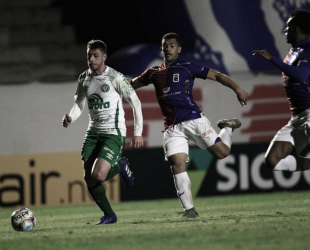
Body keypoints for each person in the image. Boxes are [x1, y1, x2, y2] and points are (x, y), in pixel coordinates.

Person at [129, 32, 248, 219]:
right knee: (177, 163)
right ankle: (189, 211)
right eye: (165, 45)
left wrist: (238, 89)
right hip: (172, 128)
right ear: (161, 49)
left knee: (223, 153)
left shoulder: (187, 67)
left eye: (172, 45)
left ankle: (228, 128)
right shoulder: (153, 73)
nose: (168, 48)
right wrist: (111, 82)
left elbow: (216, 75)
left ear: (178, 49)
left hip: (194, 120)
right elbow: (132, 85)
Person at [62, 40, 144, 225]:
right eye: (89, 55)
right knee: (89, 179)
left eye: (95, 56)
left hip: (113, 133)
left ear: (104, 57)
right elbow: (79, 104)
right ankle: (109, 215)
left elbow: (135, 101)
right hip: (93, 133)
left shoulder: (115, 77)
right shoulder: (83, 78)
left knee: (98, 175)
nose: (91, 59)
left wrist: (137, 132)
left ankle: (121, 166)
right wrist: (70, 117)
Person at [252, 9, 310, 172]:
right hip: (299, 117)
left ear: (297, 28)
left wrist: (272, 59)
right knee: (273, 160)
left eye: (289, 25)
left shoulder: (308, 49)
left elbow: (301, 75)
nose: (285, 29)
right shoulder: (295, 50)